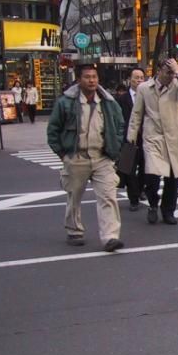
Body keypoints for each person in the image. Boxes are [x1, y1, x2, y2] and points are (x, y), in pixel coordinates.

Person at [46, 64, 124, 252]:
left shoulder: (108, 101)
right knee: (74, 196)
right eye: (87, 77)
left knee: (108, 196)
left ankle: (110, 237)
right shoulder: (66, 102)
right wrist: (63, 155)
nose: (92, 80)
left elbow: (120, 125)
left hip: (102, 156)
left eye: (94, 77)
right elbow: (53, 130)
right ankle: (74, 230)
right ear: (79, 79)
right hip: (76, 156)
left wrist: (115, 146)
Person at [128, 58, 178, 225]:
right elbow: (137, 113)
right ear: (158, 71)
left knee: (173, 178)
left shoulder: (177, 85)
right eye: (167, 72)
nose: (170, 76)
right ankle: (152, 203)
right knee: (152, 175)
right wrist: (131, 135)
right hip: (154, 137)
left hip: (175, 137)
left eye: (172, 73)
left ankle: (168, 211)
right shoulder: (144, 88)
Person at [116, 67, 146, 211]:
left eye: (141, 77)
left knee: (146, 169)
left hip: (146, 138)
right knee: (129, 170)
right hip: (129, 139)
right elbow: (119, 119)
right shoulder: (122, 99)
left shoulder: (149, 96)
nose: (139, 80)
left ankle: (140, 190)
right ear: (130, 80)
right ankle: (133, 198)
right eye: (136, 77)